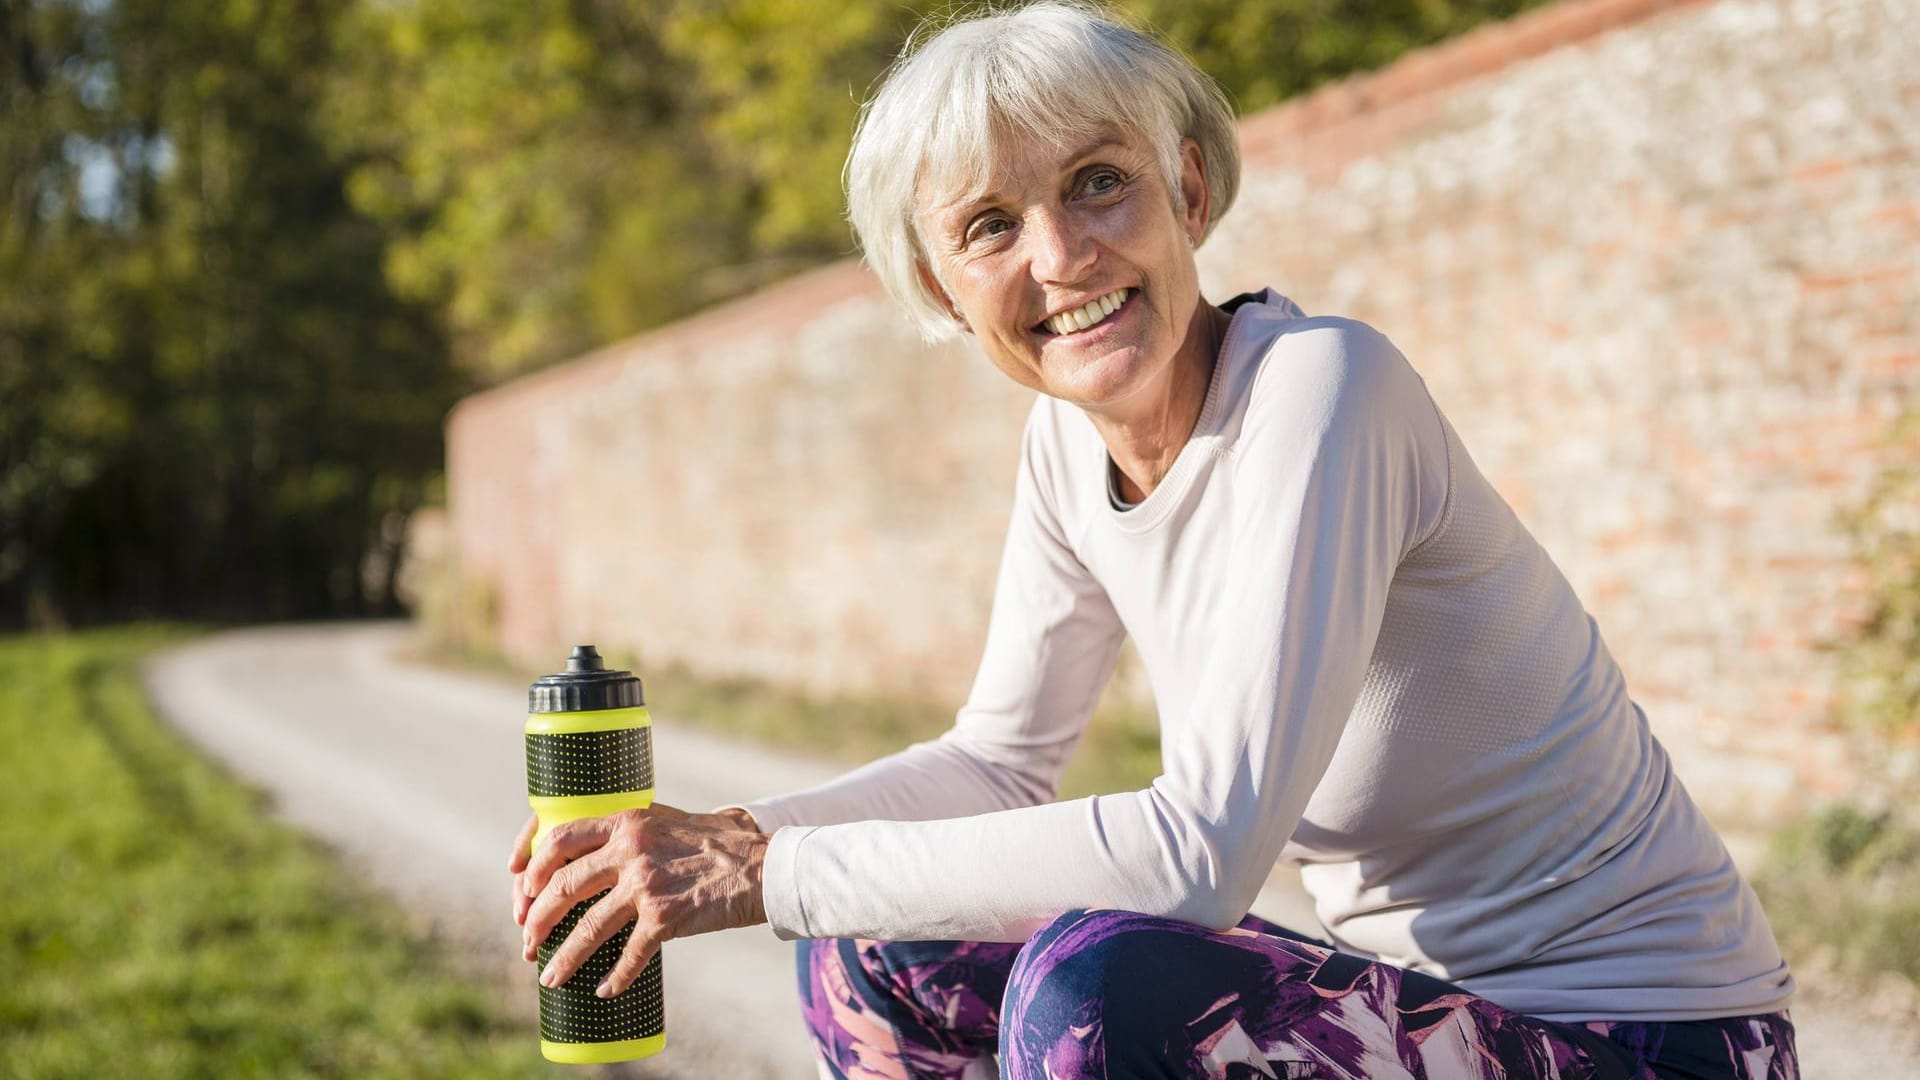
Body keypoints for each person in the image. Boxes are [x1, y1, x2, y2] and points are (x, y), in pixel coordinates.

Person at [508, 3, 1799, 1076]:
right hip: (1435, 1024)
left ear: (1187, 188)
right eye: (990, 225)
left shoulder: (1325, 388)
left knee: (1111, 986)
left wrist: (766, 870)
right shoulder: (1069, 451)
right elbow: (1002, 760)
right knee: (878, 948)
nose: (1063, 254)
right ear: (945, 291)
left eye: (1099, 183)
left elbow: (1203, 855)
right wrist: (716, 838)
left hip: (1655, 1041)